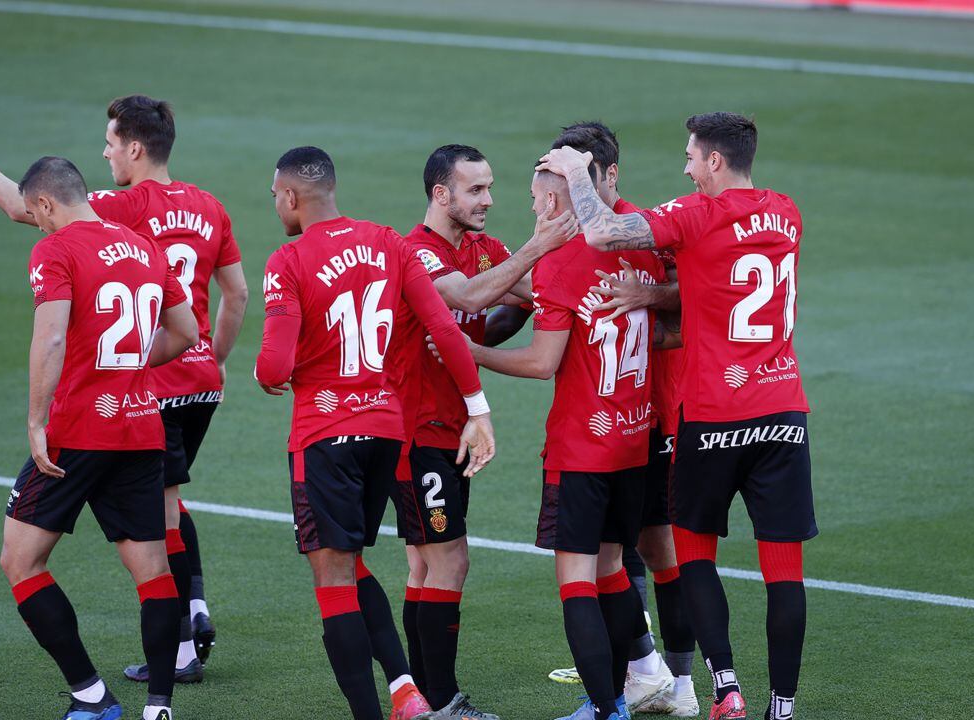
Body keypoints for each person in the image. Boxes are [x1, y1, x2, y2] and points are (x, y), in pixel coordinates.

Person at [0, 96, 248, 677]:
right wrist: (211, 357)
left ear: (135, 148)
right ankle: (192, 613)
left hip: (137, 381)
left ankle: (183, 639)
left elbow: (26, 206)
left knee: (158, 514)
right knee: (166, 498)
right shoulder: (209, 206)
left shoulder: (117, 206)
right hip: (199, 377)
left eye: (111, 143)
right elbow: (236, 294)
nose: (106, 152)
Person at [539, 112, 817, 720]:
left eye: (692, 157)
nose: (687, 168)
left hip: (714, 416)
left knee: (693, 557)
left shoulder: (694, 215)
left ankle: (726, 692)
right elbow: (719, 287)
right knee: (785, 572)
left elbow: (604, 234)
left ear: (714, 161)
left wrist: (575, 173)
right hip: (784, 411)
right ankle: (783, 707)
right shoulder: (787, 212)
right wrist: (655, 295)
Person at [254, 146, 496, 720]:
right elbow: (443, 325)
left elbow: (273, 367)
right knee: (354, 563)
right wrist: (479, 410)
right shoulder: (391, 242)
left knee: (333, 582)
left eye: (274, 195)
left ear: (290, 196)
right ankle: (407, 691)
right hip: (387, 430)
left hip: (325, 432)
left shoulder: (288, 260)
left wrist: (274, 373)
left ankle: (380, 710)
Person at [0, 156, 198, 720]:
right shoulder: (145, 247)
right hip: (140, 427)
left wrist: (36, 421)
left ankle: (91, 697)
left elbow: (52, 337)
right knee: (153, 571)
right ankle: (158, 706)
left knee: (20, 561)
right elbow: (186, 331)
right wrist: (131, 367)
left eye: (35, 215)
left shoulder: (56, 250)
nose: (36, 225)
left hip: (78, 430)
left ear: (44, 203)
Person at [464, 166, 667, 720]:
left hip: (581, 447)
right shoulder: (642, 250)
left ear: (557, 200)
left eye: (535, 200)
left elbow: (541, 361)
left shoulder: (561, 262)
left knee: (577, 581)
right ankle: (629, 690)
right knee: (614, 571)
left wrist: (472, 353)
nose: (532, 210)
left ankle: (606, 708)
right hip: (632, 440)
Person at [390, 144, 576, 719]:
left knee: (426, 564)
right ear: (441, 194)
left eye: (491, 188)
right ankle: (442, 703)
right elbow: (469, 295)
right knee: (449, 561)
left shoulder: (481, 248)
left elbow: (527, 293)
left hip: (449, 431)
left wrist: (548, 273)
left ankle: (422, 699)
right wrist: (537, 246)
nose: (489, 200)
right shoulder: (415, 253)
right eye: (475, 190)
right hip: (418, 431)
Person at [554, 122, 698, 717]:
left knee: (654, 548)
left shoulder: (648, 233)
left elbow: (697, 302)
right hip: (628, 420)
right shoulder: (579, 237)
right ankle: (645, 671)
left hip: (657, 417)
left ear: (610, 175)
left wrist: (651, 296)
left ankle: (674, 680)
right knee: (626, 550)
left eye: (579, 173)